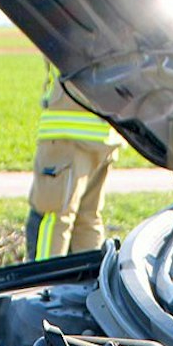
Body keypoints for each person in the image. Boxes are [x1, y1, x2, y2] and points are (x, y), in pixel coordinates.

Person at [25, 63, 121, 261]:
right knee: (87, 218)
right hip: (103, 134)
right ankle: (88, 286)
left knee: (51, 218)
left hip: (67, 133)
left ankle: (44, 287)